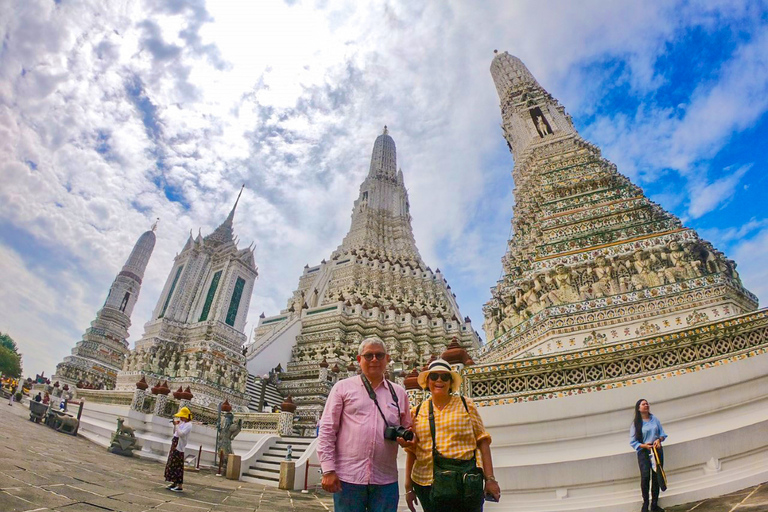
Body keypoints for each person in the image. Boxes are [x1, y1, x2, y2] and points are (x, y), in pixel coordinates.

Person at [317, 337, 414, 512]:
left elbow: (407, 428)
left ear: (387, 359)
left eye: (379, 355)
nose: (374, 360)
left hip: (385, 479)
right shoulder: (342, 388)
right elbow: (327, 430)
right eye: (369, 356)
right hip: (348, 478)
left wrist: (407, 440)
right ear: (359, 359)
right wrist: (328, 470)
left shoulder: (399, 393)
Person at [405, 359, 500, 512]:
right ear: (428, 381)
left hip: (464, 481)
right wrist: (408, 488)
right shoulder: (417, 411)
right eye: (434, 376)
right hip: (426, 482)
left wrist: (490, 479)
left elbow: (483, 441)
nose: (439, 381)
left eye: (445, 377)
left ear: (451, 382)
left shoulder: (465, 405)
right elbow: (412, 451)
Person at [630, 399, 667, 512]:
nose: (646, 405)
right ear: (638, 408)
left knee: (656, 476)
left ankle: (654, 504)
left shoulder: (654, 419)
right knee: (645, 477)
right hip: (644, 452)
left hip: (656, 450)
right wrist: (644, 446)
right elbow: (633, 442)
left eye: (647, 404)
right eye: (643, 404)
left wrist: (659, 440)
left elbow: (662, 434)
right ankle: (645, 503)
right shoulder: (636, 424)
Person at [165, 406, 193, 492]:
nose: (180, 417)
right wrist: (175, 425)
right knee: (172, 464)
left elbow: (181, 434)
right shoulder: (181, 423)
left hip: (179, 446)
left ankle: (179, 485)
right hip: (174, 444)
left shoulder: (189, 425)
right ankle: (174, 482)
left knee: (178, 466)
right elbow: (175, 433)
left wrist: (177, 425)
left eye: (182, 416)